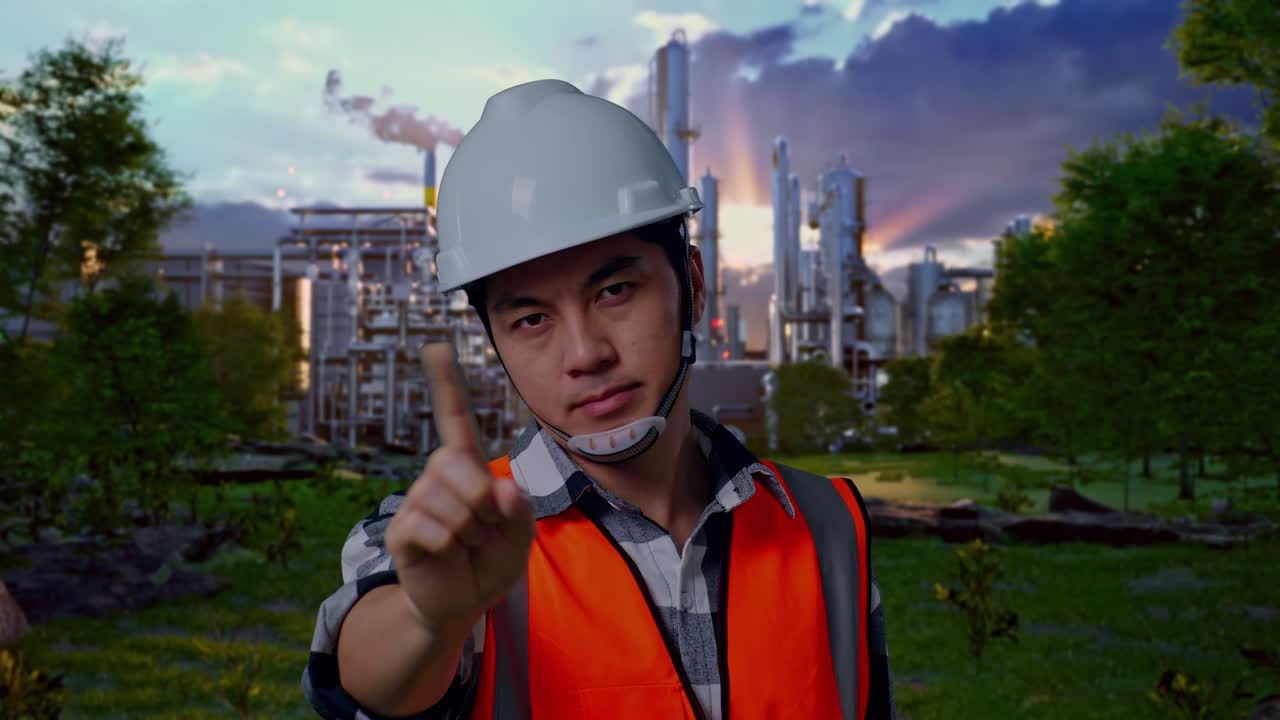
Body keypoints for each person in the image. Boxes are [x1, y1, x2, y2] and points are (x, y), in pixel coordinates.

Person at [302, 78, 897, 719]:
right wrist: (428, 619)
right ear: (494, 340)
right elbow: (368, 676)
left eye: (614, 291)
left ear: (691, 284)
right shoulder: (457, 543)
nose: (585, 354)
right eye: (531, 320)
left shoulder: (827, 522)